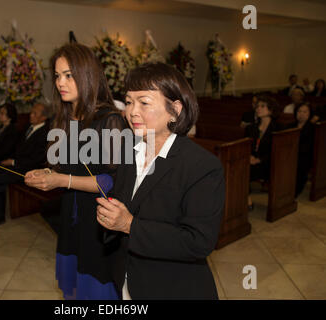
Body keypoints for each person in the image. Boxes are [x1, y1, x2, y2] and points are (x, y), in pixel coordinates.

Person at [96, 62, 225, 299]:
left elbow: (198, 242)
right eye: (128, 102)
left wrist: (128, 225)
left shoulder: (202, 166)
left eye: (144, 102)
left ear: (175, 109)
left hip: (171, 287)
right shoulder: (129, 150)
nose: (132, 111)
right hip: (126, 279)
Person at [23, 43, 127, 300]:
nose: (61, 82)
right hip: (72, 213)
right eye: (57, 76)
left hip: (98, 219)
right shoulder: (67, 117)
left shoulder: (110, 119)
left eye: (68, 75)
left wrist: (60, 179)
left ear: (87, 74)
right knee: (75, 289)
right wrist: (46, 173)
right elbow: (69, 166)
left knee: (97, 289)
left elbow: (111, 181)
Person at [0, 102, 50, 229]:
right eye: (30, 112)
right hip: (17, 165)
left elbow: (38, 159)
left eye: (34, 114)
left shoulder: (46, 133)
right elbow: (17, 147)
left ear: (43, 118)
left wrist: (14, 162)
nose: (30, 115)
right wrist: (10, 159)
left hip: (29, 170)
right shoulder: (29, 127)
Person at [245, 95, 281, 210]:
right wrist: (249, 156)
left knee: (244, 171)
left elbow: (277, 151)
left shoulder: (278, 129)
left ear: (271, 110)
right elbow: (245, 146)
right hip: (251, 161)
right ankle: (246, 199)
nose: (258, 109)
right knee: (237, 169)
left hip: (269, 163)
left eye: (262, 106)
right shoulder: (251, 128)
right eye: (257, 106)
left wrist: (259, 159)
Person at [288, 103, 316, 197]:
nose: (301, 114)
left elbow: (308, 147)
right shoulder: (291, 126)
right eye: (299, 111)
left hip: (305, 156)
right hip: (290, 153)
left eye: (305, 112)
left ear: (309, 114)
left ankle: (295, 190)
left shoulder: (312, 128)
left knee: (300, 163)